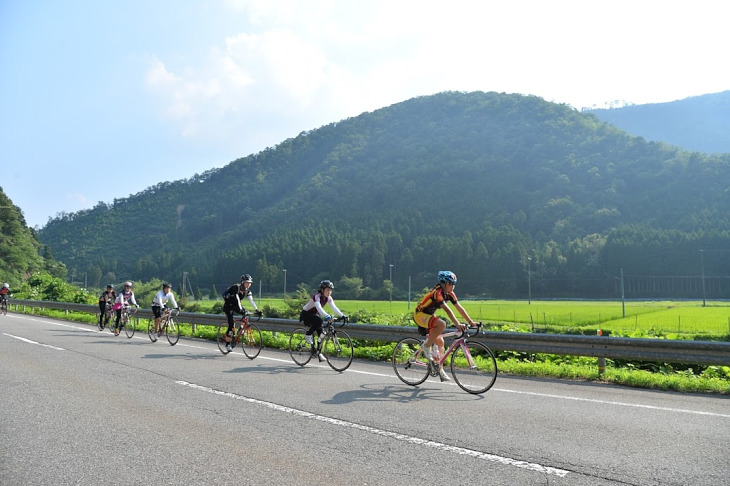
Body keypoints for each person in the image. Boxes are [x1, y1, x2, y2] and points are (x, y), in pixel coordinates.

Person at [413, 271, 477, 381]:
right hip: (419, 315)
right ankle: (426, 346)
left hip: (429, 316)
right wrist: (457, 324)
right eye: (451, 284)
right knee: (442, 324)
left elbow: (459, 308)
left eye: (454, 284)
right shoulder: (437, 293)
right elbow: (448, 310)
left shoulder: (450, 294)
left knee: (440, 342)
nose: (453, 286)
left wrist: (471, 322)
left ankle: (440, 369)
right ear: (444, 283)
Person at [299, 280, 347, 362]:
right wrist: (327, 316)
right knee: (319, 320)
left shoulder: (329, 298)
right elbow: (319, 308)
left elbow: (334, 308)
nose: (329, 292)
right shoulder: (316, 296)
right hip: (306, 313)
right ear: (322, 290)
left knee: (321, 335)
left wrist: (342, 315)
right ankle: (308, 334)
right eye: (327, 290)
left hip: (315, 315)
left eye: (330, 290)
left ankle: (318, 353)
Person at [222, 274, 262, 352]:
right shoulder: (236, 288)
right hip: (229, 306)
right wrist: (241, 309)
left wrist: (257, 310)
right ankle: (228, 344)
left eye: (250, 283)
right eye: (247, 282)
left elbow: (251, 301)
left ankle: (241, 328)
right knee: (231, 324)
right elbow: (237, 300)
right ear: (243, 282)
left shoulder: (248, 291)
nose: (248, 284)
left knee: (245, 314)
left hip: (236, 306)